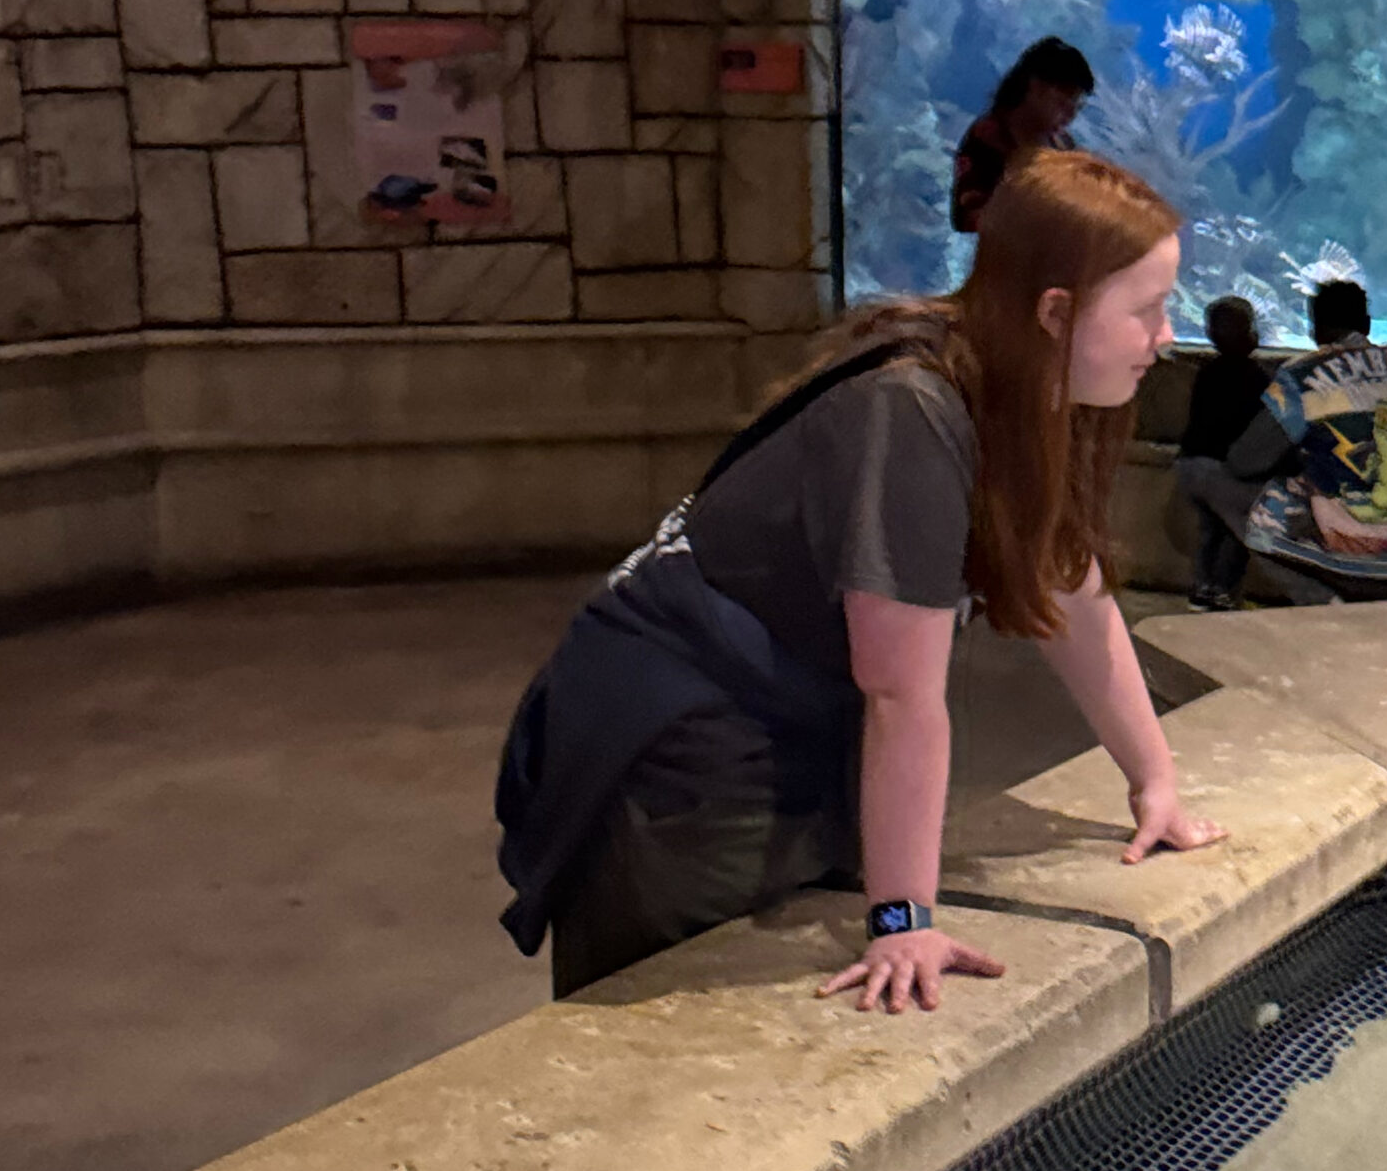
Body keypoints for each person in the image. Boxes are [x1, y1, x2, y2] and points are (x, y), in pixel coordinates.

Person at [496, 152, 1222, 1013]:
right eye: (1147, 310)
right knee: (685, 1004)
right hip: (676, 741)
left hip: (781, 714)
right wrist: (905, 917)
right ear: (1055, 314)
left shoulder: (1013, 384)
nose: (1167, 337)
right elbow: (900, 694)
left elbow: (1069, 583)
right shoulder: (909, 411)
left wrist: (1154, 780)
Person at [1219, 278, 1387, 603]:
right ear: (1368, 324)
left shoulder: (1300, 373)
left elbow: (1245, 460)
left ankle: (1323, 603)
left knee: (1254, 506)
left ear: (1314, 328)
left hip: (1352, 552)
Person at [1169, 293, 1273, 610]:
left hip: (1189, 467)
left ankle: (1202, 589)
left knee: (1210, 529)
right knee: (1241, 528)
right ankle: (1224, 591)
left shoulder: (1206, 373)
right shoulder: (1256, 377)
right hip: (1223, 470)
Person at [950, 37, 1093, 237]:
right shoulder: (988, 139)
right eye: (1063, 103)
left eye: (1076, 108)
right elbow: (965, 218)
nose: (1070, 116)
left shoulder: (1062, 143)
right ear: (1035, 87)